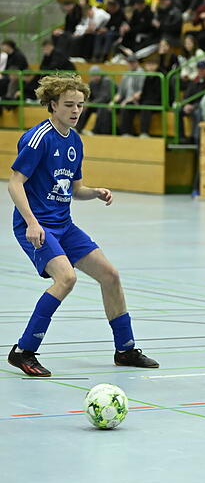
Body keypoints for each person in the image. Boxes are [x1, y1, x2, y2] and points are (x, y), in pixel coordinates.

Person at [6, 74, 159, 377]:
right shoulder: (39, 138)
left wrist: (96, 192)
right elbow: (14, 183)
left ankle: (125, 349)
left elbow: (75, 189)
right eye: (68, 105)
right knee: (66, 278)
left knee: (110, 276)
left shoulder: (75, 141)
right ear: (52, 105)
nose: (76, 111)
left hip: (64, 224)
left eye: (80, 105)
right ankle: (23, 350)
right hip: (38, 226)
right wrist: (32, 223)